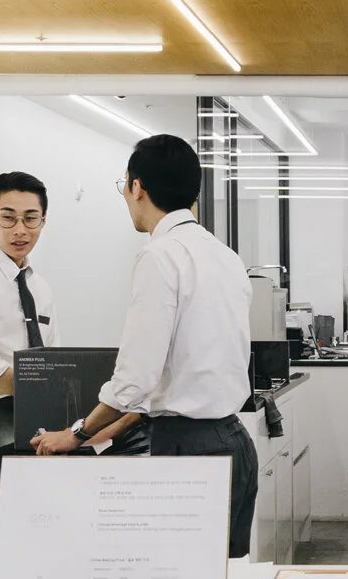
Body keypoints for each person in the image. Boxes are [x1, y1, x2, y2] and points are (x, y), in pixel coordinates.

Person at [31, 134, 260, 557]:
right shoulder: (225, 256)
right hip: (234, 441)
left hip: (190, 450)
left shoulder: (159, 256)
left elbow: (136, 378)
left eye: (124, 186)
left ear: (137, 187)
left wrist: (77, 433)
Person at [0, 172, 139, 470]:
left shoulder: (39, 287)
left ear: (43, 221)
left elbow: (54, 359)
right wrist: (51, 384)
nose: (20, 230)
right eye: (8, 218)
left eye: (31, 219)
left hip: (45, 417)